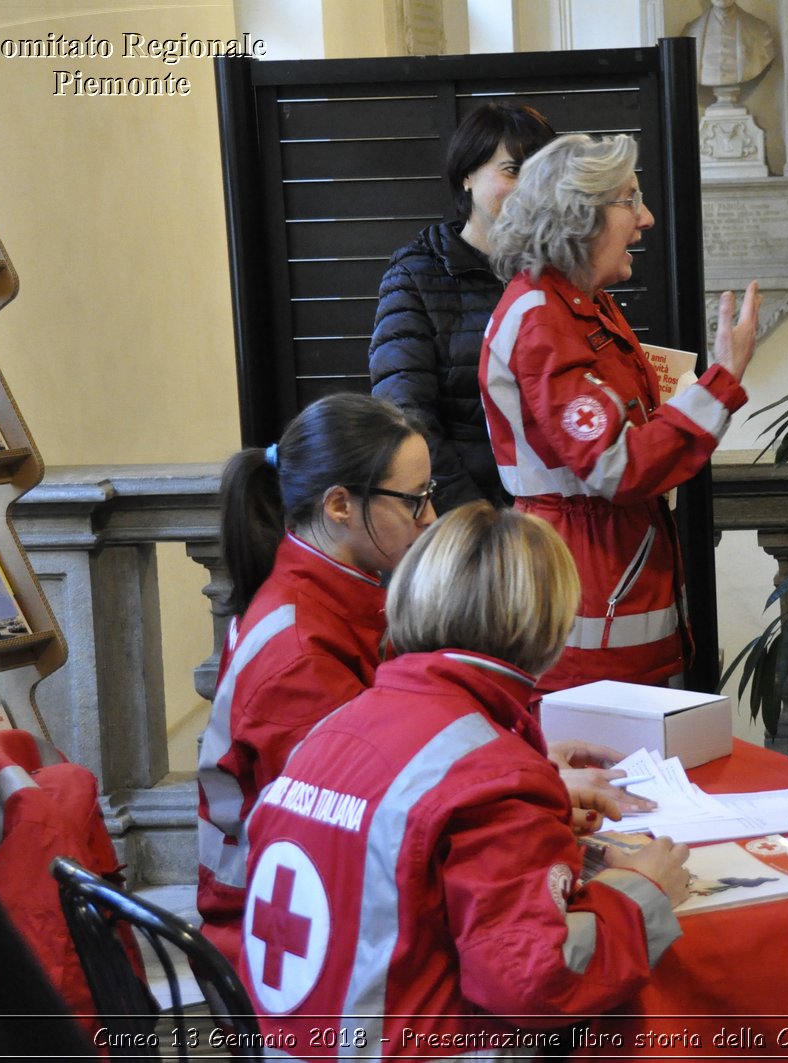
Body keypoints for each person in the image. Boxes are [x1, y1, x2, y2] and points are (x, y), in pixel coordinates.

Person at [238, 503, 691, 1049]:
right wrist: (644, 892)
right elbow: (534, 983)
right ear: (551, 630)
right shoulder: (494, 773)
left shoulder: (337, 725)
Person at [481, 133, 760, 694]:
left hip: (608, 574)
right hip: (584, 587)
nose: (646, 218)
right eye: (630, 200)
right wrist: (721, 380)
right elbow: (617, 467)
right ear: (580, 216)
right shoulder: (543, 317)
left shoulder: (579, 302)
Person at [195, 393, 437, 962]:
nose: (431, 519)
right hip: (283, 930)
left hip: (316, 888)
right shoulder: (301, 652)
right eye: (415, 501)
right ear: (338, 506)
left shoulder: (338, 590)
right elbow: (354, 821)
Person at [369, 102, 556, 513]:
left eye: (540, 175)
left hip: (558, 517)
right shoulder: (416, 275)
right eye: (512, 171)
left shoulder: (560, 272)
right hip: (464, 524)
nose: (528, 190)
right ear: (467, 175)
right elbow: (405, 415)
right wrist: (475, 518)